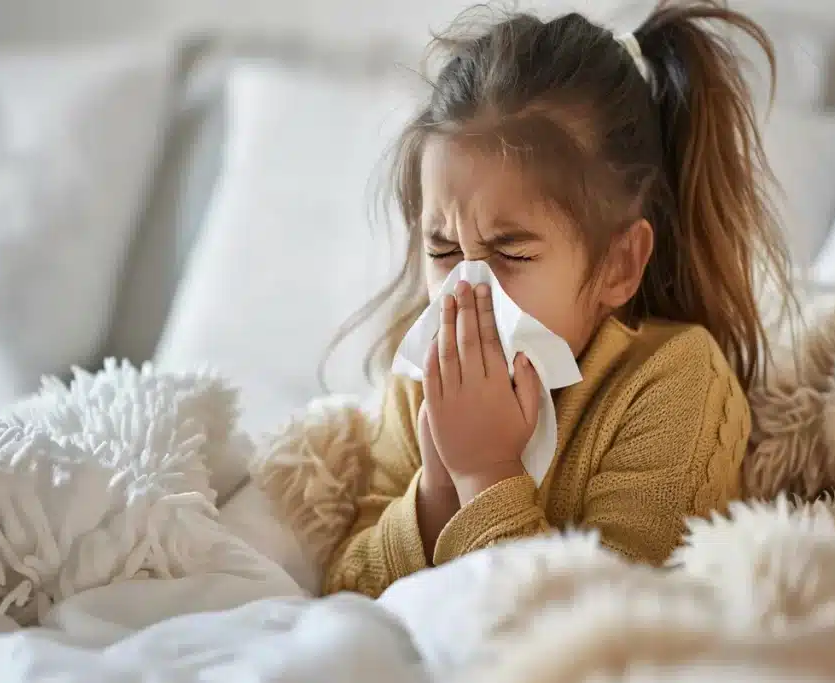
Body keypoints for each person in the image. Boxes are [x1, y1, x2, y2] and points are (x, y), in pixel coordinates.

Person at [323, 0, 790, 598]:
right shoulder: (423, 381)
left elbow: (611, 619)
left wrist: (486, 473)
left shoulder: (673, 379)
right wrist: (438, 492)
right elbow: (343, 586)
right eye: (443, 251)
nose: (466, 291)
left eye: (511, 254)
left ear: (620, 264)